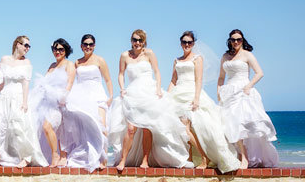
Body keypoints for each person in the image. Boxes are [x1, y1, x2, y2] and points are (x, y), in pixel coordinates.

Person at [110, 29, 191, 170]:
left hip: (148, 92)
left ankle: (145, 160)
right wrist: (122, 88)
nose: (137, 43)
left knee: (148, 127)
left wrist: (158, 88)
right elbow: (121, 74)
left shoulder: (149, 53)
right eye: (135, 40)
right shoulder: (124, 55)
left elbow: (157, 72)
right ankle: (122, 160)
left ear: (144, 42)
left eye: (140, 40)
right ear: (131, 40)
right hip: (133, 94)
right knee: (130, 129)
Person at [168, 31, 240, 173]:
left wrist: (196, 98)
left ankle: (204, 157)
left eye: (189, 42)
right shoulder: (176, 60)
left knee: (187, 127)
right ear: (180, 43)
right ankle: (188, 158)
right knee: (177, 127)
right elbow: (173, 80)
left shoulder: (197, 59)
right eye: (184, 42)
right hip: (177, 94)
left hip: (191, 93)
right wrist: (166, 96)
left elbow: (198, 80)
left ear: (193, 44)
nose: (187, 45)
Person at [31, 38, 105, 171]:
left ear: (66, 51)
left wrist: (62, 99)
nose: (57, 52)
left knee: (48, 127)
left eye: (61, 49)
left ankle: (56, 155)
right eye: (55, 49)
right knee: (49, 130)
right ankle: (55, 155)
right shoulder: (52, 66)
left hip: (60, 103)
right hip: (47, 103)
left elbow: (70, 83)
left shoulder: (69, 64)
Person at [217, 29, 279, 168]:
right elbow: (221, 77)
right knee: (227, 124)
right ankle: (237, 155)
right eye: (233, 39)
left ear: (242, 40)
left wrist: (249, 86)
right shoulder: (225, 56)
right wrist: (218, 91)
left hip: (243, 91)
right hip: (228, 91)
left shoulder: (247, 55)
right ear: (230, 41)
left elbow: (259, 73)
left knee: (239, 123)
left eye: (239, 39)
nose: (236, 42)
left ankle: (244, 156)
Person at [0, 36, 48, 167]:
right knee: (3, 127)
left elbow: (26, 84)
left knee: (18, 126)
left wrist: (25, 102)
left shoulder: (26, 63)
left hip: (18, 96)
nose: (27, 48)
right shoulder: (4, 59)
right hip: (4, 96)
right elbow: (1, 82)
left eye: (29, 46)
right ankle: (9, 157)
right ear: (17, 44)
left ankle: (27, 157)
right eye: (26, 45)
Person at [66, 34, 113, 169]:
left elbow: (108, 79)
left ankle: (104, 159)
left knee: (102, 126)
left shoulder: (100, 60)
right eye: (85, 44)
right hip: (82, 97)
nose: (88, 47)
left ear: (94, 46)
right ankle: (90, 156)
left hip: (98, 96)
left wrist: (110, 96)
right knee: (85, 129)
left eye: (91, 44)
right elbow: (72, 81)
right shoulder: (77, 63)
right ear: (81, 46)